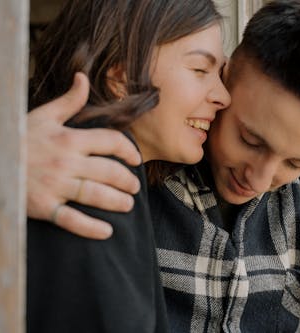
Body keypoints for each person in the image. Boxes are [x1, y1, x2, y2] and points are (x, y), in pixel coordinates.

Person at [27, 0, 300, 332]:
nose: (260, 179)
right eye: (250, 140)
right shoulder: (113, 168)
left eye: (295, 161)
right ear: (229, 81)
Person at [26, 0, 230, 332]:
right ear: (121, 77)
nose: (224, 96)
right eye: (200, 70)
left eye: (219, 73)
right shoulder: (89, 170)